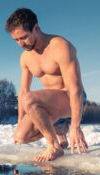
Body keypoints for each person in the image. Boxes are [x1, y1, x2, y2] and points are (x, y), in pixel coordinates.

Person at [5, 8, 88, 162]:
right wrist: (20, 121)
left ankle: (54, 145)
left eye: (23, 37)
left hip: (71, 97)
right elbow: (23, 91)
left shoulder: (60, 46)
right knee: (21, 137)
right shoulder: (25, 57)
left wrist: (75, 127)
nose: (20, 44)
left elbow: (75, 88)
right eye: (16, 40)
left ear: (36, 28)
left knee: (31, 99)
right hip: (49, 102)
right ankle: (59, 128)